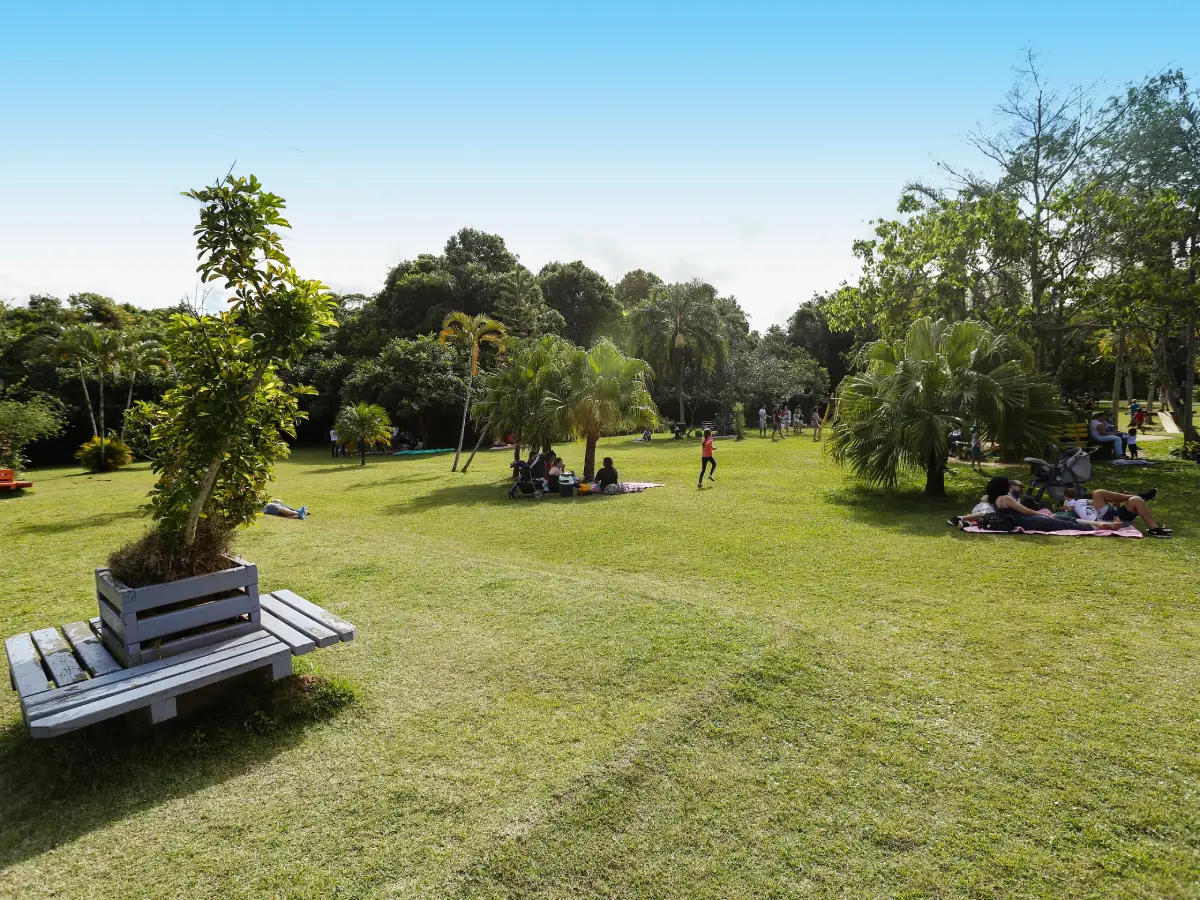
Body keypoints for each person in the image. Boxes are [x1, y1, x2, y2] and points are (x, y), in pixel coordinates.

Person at [1063, 486, 1169, 536]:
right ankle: (1141, 496)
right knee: (1098, 493)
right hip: (1101, 520)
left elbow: (1097, 502)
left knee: (1136, 501)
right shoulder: (1073, 505)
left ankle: (1154, 529)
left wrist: (1113, 506)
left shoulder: (1081, 501)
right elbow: (1067, 513)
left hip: (1115, 517)